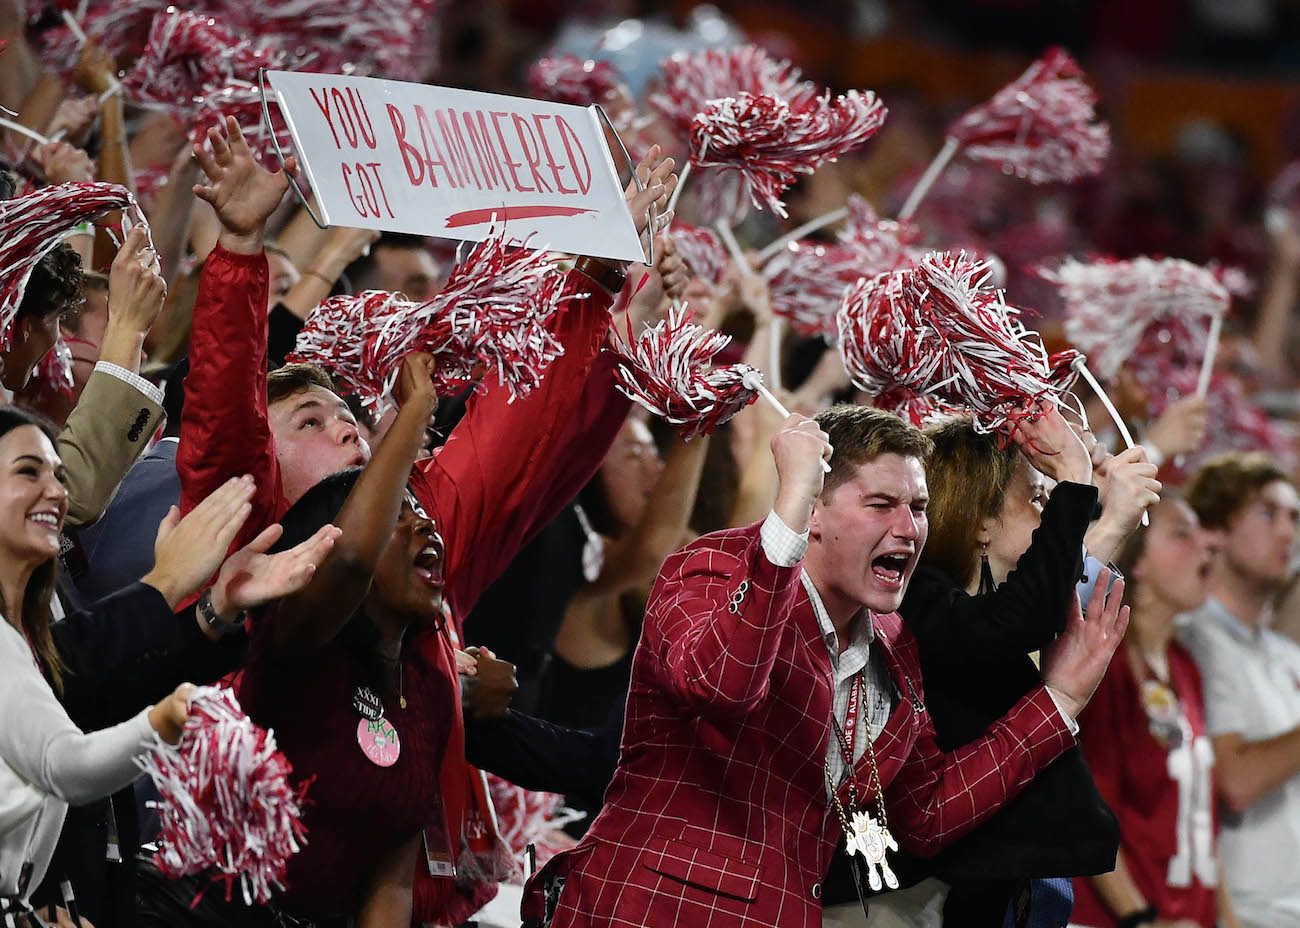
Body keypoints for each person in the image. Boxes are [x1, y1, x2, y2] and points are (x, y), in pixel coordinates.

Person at [523, 404, 1130, 928]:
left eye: (917, 507)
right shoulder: (712, 567)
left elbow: (925, 814)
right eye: (881, 504)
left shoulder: (894, 644)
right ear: (812, 509)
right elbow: (723, 687)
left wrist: (1060, 701)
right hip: (644, 911)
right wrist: (783, 515)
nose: (908, 528)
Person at [838, 408, 1157, 928]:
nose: (1049, 514)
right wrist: (1076, 481)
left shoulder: (970, 612)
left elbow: (1040, 608)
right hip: (885, 903)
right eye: (1036, 498)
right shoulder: (908, 603)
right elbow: (1021, 619)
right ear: (982, 519)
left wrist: (1113, 518)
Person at [0, 405, 194, 917]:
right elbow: (67, 766)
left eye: (59, 476)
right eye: (28, 471)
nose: (57, 492)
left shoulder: (22, 636)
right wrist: (165, 720)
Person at [1073, 496, 1239, 928]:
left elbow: (1199, 813)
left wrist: (1228, 919)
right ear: (1138, 560)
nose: (1207, 545)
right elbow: (1085, 810)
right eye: (1183, 533)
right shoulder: (1102, 666)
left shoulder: (1183, 665)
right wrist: (1140, 919)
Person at [1177, 452, 1300, 928]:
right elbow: (1236, 782)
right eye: (1267, 513)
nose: (1288, 533)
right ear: (1216, 530)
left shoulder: (1286, 654)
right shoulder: (1192, 640)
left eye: (1294, 517)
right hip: (1249, 911)